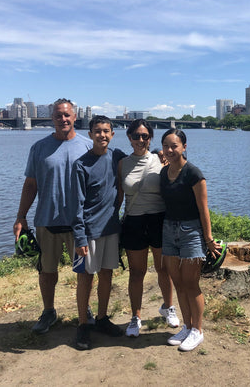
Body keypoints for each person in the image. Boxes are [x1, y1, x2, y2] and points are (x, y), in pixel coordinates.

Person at [13, 98, 93, 334]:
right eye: (58, 115)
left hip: (79, 223)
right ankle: (49, 311)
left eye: (67, 115)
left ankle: (84, 308)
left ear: (75, 117)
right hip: (47, 220)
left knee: (84, 271)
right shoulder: (39, 148)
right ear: (52, 118)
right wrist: (21, 217)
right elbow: (30, 185)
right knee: (47, 271)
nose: (63, 119)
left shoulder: (89, 147)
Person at [160, 129, 221, 352]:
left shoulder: (194, 174)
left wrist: (209, 239)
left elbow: (203, 209)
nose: (169, 150)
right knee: (178, 283)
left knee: (191, 284)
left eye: (174, 146)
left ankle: (198, 330)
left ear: (184, 147)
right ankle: (186, 327)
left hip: (191, 232)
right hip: (168, 231)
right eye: (166, 146)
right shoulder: (163, 173)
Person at [119, 119, 179, 338]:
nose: (141, 140)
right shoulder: (122, 163)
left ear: (151, 138)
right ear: (129, 138)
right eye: (136, 136)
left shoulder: (159, 159)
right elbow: (118, 196)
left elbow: (177, 176)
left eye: (145, 136)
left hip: (158, 219)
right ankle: (136, 316)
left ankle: (168, 307)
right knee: (137, 272)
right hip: (133, 221)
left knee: (164, 269)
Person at [71, 115, 126, 350]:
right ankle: (84, 323)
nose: (102, 135)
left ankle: (102, 317)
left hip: (111, 229)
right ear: (90, 134)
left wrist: (162, 157)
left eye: (106, 131)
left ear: (112, 134)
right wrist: (80, 236)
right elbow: (76, 205)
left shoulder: (117, 157)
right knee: (85, 278)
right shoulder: (81, 164)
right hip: (89, 231)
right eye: (97, 131)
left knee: (107, 275)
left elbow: (142, 156)